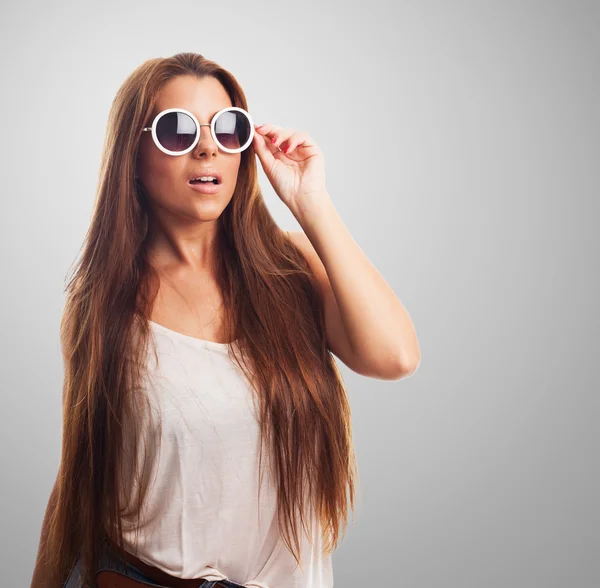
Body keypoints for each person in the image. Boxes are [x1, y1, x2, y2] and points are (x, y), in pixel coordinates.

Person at [30, 51, 420, 588]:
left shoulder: (293, 268)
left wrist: (312, 202)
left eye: (227, 128)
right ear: (134, 154)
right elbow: (80, 472)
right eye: (177, 129)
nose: (207, 146)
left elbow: (394, 357)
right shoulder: (103, 299)